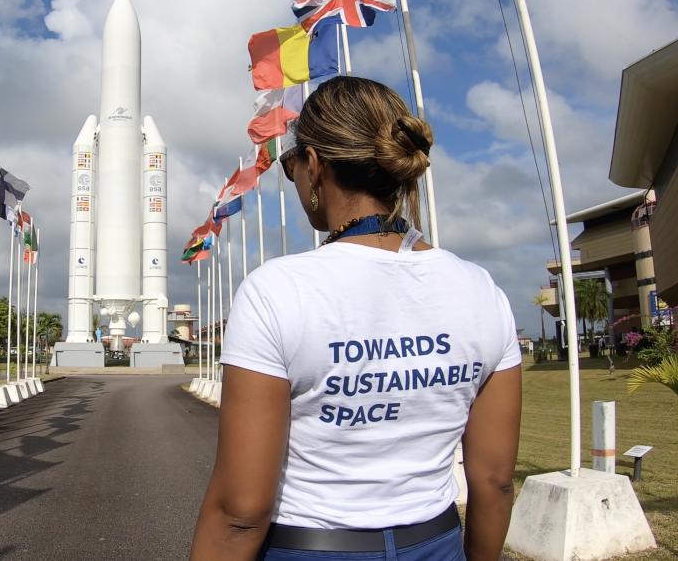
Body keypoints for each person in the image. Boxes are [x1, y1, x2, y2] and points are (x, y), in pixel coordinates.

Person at [190, 76, 522, 561]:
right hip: (436, 543)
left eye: (291, 166)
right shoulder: (481, 290)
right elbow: (494, 483)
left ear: (314, 165)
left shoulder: (276, 291)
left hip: (309, 548)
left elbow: (240, 513)